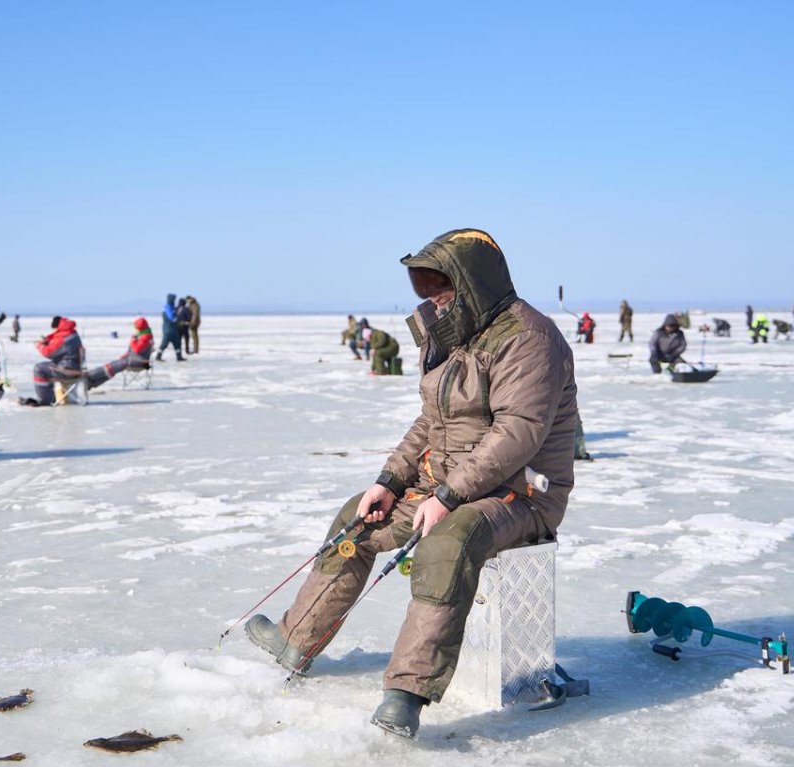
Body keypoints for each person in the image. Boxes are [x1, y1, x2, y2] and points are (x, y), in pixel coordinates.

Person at [244, 228, 578, 740]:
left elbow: (518, 434)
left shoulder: (528, 338)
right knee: (359, 518)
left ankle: (406, 692)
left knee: (448, 542)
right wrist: (390, 480)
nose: (433, 299)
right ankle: (297, 641)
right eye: (424, 288)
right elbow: (429, 424)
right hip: (448, 483)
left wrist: (447, 496)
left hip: (522, 493)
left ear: (473, 282)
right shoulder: (454, 335)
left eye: (440, 286)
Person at [20, 316, 84, 406]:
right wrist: (48, 341)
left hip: (66, 369)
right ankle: (50, 396)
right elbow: (59, 344)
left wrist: (40, 345)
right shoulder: (71, 332)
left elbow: (49, 353)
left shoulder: (63, 338)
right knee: (46, 367)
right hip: (74, 366)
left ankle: (44, 400)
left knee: (39, 369)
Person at [83, 317, 154, 391]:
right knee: (114, 365)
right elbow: (132, 350)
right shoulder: (143, 335)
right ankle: (92, 381)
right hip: (135, 359)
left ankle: (91, 376)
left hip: (144, 363)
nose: (135, 329)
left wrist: (133, 339)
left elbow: (136, 349)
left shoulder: (146, 336)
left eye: (136, 327)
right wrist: (125, 355)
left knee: (115, 366)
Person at [155, 294, 185, 362]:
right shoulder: (167, 308)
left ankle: (179, 357)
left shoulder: (172, 307)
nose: (174, 301)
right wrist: (177, 316)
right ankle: (158, 356)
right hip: (168, 329)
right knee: (164, 344)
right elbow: (171, 318)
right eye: (174, 299)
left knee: (177, 343)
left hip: (173, 329)